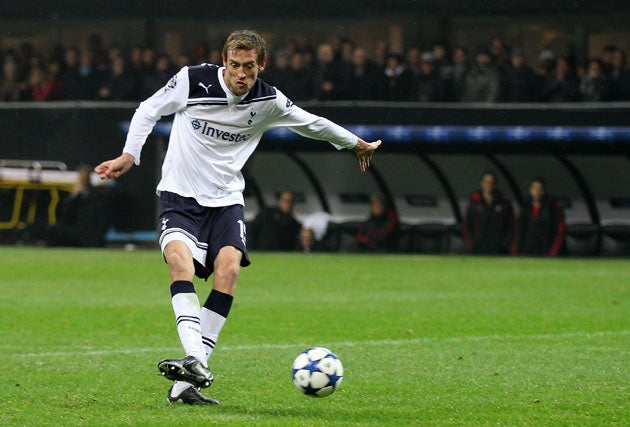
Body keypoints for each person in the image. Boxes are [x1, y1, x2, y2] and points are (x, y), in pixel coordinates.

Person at [95, 30, 381, 405]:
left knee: (228, 271)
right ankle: (196, 360)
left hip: (226, 201)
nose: (241, 74)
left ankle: (187, 380)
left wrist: (355, 143)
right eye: (234, 65)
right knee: (179, 263)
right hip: (179, 196)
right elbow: (148, 109)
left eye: (249, 67)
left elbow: (312, 123)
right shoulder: (191, 81)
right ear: (223, 62)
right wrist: (129, 156)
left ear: (261, 65)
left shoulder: (268, 101)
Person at [47, 166, 108, 247]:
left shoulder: (96, 194)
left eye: (84, 177)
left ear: (89, 178)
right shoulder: (75, 195)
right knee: (52, 229)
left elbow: (100, 217)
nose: (82, 180)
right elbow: (65, 214)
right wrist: (73, 197)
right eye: (81, 177)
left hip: (89, 230)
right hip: (76, 229)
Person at [462, 171, 515, 254]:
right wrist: (473, 241)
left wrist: (503, 243)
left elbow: (511, 225)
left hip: (498, 247)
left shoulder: (504, 201)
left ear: (495, 184)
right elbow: (467, 224)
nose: (489, 185)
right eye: (486, 182)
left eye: (491, 182)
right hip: (479, 246)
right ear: (482, 183)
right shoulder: (474, 201)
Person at [516, 177, 566, 256]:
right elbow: (520, 230)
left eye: (540, 189)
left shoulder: (552, 207)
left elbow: (559, 231)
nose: (537, 192)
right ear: (530, 190)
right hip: (528, 251)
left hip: (546, 252)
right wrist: (519, 251)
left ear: (544, 190)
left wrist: (553, 253)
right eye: (535, 189)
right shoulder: (526, 207)